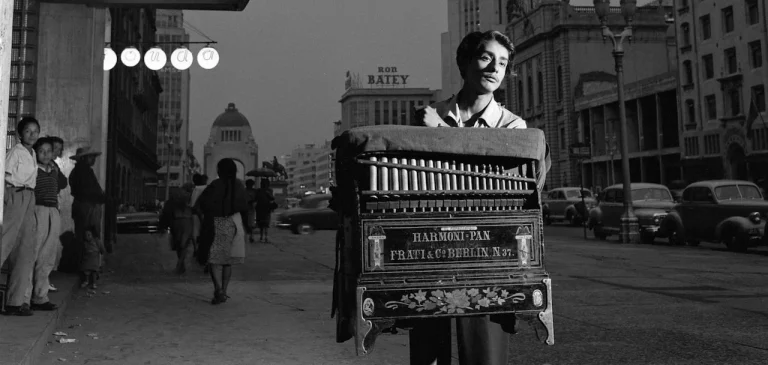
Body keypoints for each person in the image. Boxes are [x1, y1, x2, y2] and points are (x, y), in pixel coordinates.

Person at [412, 30, 551, 365]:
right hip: (432, 250)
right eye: (486, 57)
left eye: (502, 63)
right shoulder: (431, 114)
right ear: (464, 62)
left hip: (489, 252)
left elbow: (499, 182)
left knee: (484, 352)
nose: (494, 68)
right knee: (429, 351)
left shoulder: (514, 127)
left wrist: (439, 133)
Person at [194, 159, 249, 304]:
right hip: (235, 222)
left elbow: (201, 205)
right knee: (227, 261)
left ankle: (218, 289)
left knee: (214, 260)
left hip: (218, 222)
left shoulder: (215, 185)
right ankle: (224, 290)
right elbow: (244, 206)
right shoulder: (239, 185)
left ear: (220, 170)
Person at [1, 117, 40, 316]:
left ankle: (14, 303)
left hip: (29, 196)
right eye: (27, 131)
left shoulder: (32, 153)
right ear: (19, 134)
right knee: (4, 243)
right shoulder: (15, 152)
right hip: (15, 194)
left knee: (25, 249)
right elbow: (4, 176)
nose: (32, 135)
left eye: (35, 131)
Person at [27, 137, 62, 311]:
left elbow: (61, 185)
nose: (46, 154)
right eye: (42, 151)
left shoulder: (54, 170)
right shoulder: (33, 169)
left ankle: (40, 297)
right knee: (32, 254)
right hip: (38, 211)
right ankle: (24, 298)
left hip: (52, 212)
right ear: (35, 152)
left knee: (47, 257)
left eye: (49, 151)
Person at [68, 146, 106, 284]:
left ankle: (88, 270)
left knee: (86, 237)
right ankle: (89, 270)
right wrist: (103, 198)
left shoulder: (80, 171)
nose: (93, 160)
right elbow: (90, 192)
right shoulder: (83, 172)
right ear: (84, 158)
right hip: (87, 207)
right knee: (90, 238)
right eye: (91, 157)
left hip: (84, 206)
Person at [159, 185, 196, 274]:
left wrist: (163, 226)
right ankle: (180, 266)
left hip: (176, 222)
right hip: (187, 221)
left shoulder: (172, 201)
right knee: (183, 245)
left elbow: (166, 213)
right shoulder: (190, 199)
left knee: (180, 245)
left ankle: (180, 266)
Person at [47, 136, 67, 292]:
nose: (57, 151)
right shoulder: (47, 165)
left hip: (54, 203)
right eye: (55, 148)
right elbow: (61, 182)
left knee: (50, 245)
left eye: (59, 149)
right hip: (47, 205)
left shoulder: (54, 164)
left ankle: (44, 280)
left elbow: (63, 182)